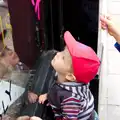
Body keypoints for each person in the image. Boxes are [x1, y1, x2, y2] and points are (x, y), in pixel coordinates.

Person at [39, 31, 100, 120]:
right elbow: (57, 90)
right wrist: (48, 96)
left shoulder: (71, 99)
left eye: (63, 58)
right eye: (62, 52)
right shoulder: (65, 78)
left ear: (70, 76)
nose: (58, 54)